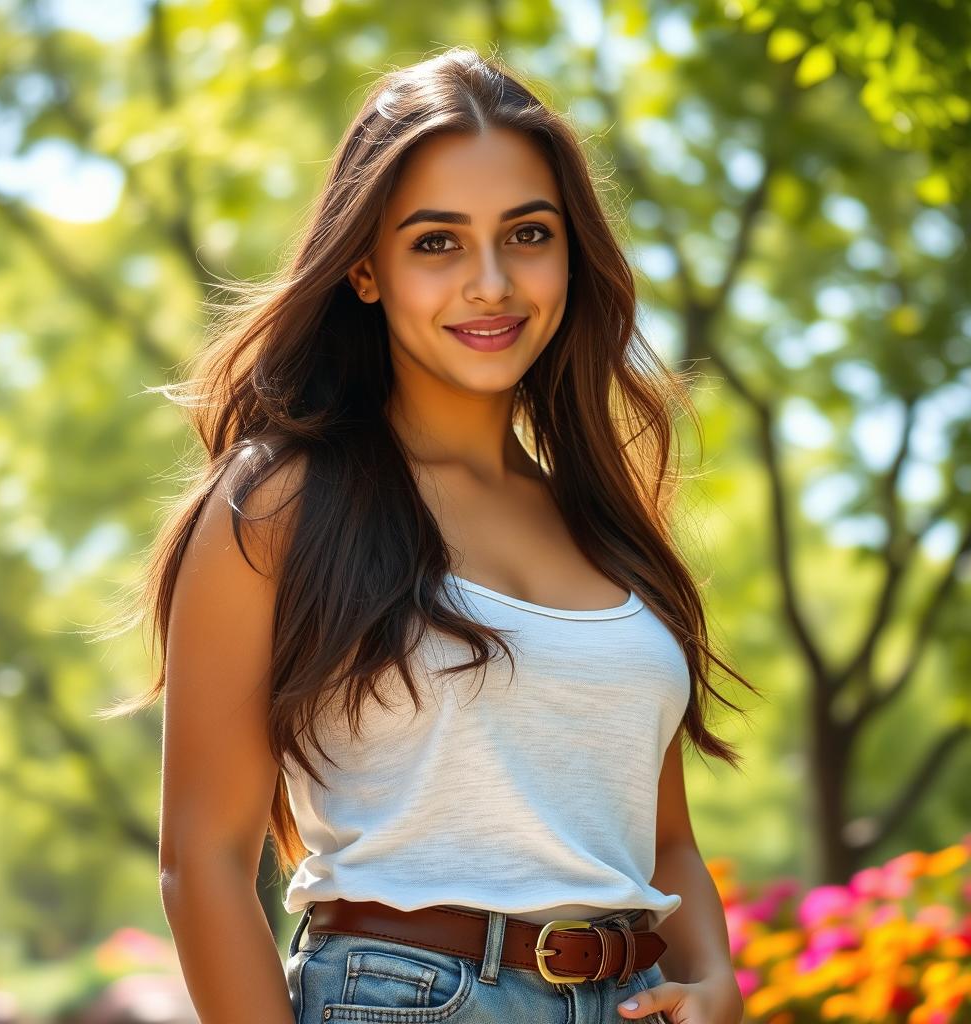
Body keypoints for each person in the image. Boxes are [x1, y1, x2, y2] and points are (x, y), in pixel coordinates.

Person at [103, 45, 754, 1024]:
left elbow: (663, 843)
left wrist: (715, 984)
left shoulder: (603, 523)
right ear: (364, 269)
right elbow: (201, 862)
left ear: (570, 253)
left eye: (527, 234)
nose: (490, 282)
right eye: (437, 242)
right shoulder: (281, 504)